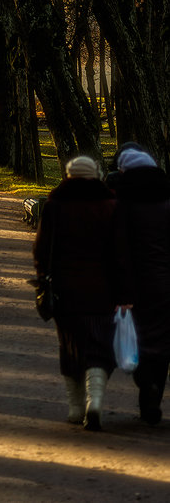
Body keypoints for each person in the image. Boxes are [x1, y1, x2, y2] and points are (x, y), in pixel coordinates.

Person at [33, 155, 130, 431]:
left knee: (70, 344)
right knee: (99, 346)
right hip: (103, 290)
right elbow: (121, 254)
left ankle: (75, 408)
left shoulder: (54, 205)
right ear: (96, 175)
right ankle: (95, 401)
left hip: (65, 290)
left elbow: (41, 249)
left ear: (68, 176)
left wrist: (43, 278)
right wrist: (125, 294)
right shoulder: (111, 206)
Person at [115, 148, 170, 425]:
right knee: (161, 343)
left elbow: (119, 249)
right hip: (164, 283)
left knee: (137, 340)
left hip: (134, 285)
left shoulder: (123, 204)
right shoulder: (166, 203)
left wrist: (120, 288)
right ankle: (152, 400)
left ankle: (145, 384)